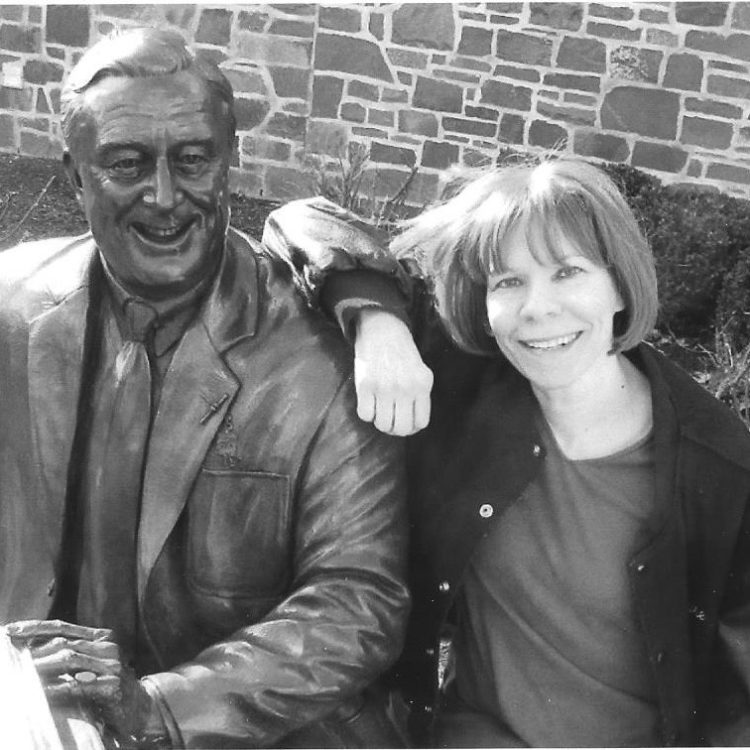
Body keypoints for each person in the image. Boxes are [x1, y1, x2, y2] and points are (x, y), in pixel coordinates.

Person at [0, 28, 410, 749]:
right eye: (126, 164)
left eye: (193, 161)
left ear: (229, 162)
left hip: (239, 728)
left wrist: (159, 708)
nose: (165, 198)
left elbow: (358, 601)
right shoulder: (11, 310)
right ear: (72, 175)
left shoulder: (325, 355)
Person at [264, 157, 750, 746]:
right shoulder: (471, 387)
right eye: (508, 281)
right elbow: (302, 221)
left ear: (620, 285)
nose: (537, 309)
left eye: (568, 272)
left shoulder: (719, 469)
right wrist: (377, 324)